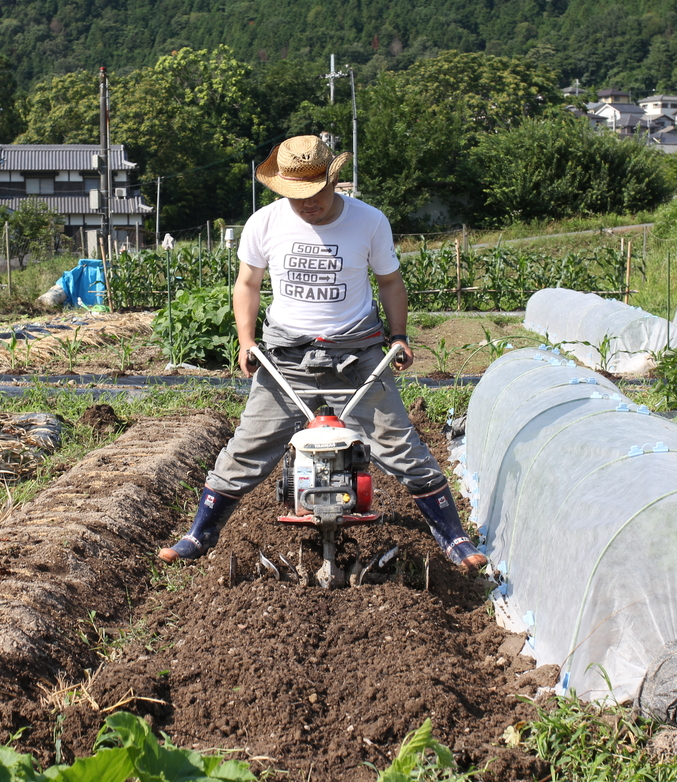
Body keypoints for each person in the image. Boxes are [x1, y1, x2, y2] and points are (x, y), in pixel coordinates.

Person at [158, 135, 485, 572]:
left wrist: (400, 335)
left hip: (358, 354)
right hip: (287, 356)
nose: (306, 204)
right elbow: (247, 284)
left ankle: (454, 537)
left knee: (401, 447)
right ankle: (200, 534)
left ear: (333, 181)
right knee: (247, 448)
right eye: (296, 196)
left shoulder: (369, 221)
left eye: (314, 194)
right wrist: (246, 340)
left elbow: (389, 282)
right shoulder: (264, 222)